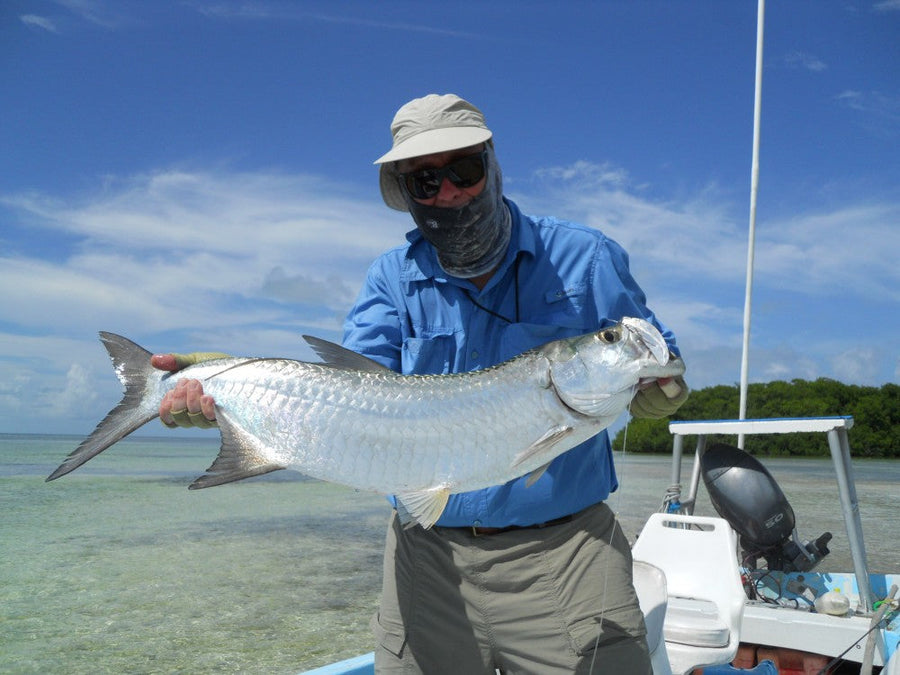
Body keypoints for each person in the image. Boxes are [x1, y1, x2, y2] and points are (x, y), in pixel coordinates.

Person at [155, 94, 689, 674]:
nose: (450, 192)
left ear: (493, 162)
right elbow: (346, 394)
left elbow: (659, 363)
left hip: (566, 555)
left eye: (464, 170)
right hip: (425, 559)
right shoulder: (391, 277)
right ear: (406, 195)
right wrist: (228, 380)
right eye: (425, 181)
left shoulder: (584, 258)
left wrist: (664, 399)